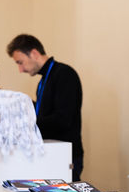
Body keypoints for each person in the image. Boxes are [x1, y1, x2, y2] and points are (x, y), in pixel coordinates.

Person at [6, 34, 83, 181]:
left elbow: (62, 119)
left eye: (20, 62)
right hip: (49, 153)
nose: (20, 69)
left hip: (65, 155)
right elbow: (45, 113)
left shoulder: (64, 74)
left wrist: (26, 124)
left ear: (34, 53)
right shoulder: (44, 80)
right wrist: (23, 105)